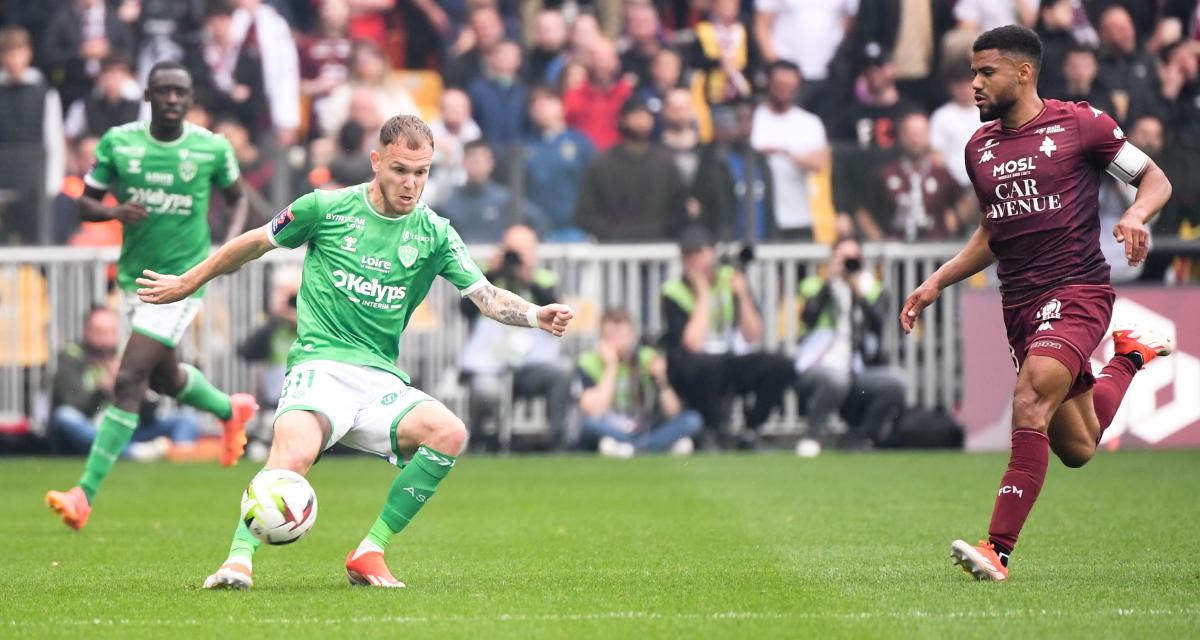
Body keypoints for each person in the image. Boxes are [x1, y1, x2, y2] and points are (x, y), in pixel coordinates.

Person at [135, 114, 575, 590]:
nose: (411, 184)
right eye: (400, 170)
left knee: (449, 432)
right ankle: (237, 560)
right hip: (320, 366)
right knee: (295, 452)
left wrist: (535, 314)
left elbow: (486, 296)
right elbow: (253, 244)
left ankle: (369, 551)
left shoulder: (435, 233)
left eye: (421, 172)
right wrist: (187, 281)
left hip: (380, 379)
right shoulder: (325, 209)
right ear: (376, 161)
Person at [901, 26, 1174, 582]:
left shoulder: (1081, 124)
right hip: (1020, 305)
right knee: (1077, 447)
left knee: (1029, 399)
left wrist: (1135, 214)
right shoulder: (979, 148)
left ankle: (997, 549)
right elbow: (991, 231)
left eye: (986, 72)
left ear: (1024, 72)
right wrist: (938, 281)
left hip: (1076, 290)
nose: (974, 84)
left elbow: (1153, 177)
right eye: (973, 73)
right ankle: (1130, 357)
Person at [44, 61, 258, 532]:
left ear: (190, 96)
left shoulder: (210, 147)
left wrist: (228, 245)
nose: (172, 100)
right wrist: (113, 210)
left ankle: (84, 493)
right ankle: (230, 409)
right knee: (165, 377)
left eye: (180, 92)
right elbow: (84, 201)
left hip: (183, 280)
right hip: (134, 281)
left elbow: (238, 195)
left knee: (130, 379)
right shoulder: (120, 142)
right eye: (163, 91)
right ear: (148, 95)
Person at [660, 225, 795, 449]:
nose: (694, 260)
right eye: (688, 255)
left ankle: (751, 430)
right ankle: (713, 431)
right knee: (709, 367)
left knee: (779, 365)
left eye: (699, 253)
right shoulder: (673, 291)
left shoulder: (729, 280)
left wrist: (742, 295)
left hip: (728, 358)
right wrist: (702, 292)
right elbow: (692, 344)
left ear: (712, 253)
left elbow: (753, 334)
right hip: (692, 367)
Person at [460, 225, 573, 452]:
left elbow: (554, 308)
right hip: (488, 362)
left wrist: (527, 279)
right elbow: (464, 310)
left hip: (530, 363)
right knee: (486, 391)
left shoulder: (543, 278)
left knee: (562, 370)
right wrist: (492, 273)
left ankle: (557, 441)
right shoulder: (484, 276)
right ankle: (481, 440)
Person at [794, 237, 906, 456]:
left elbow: (877, 326)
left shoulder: (873, 289)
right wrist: (830, 283)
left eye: (852, 259)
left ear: (862, 260)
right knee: (837, 380)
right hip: (817, 364)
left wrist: (857, 293)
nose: (847, 264)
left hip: (855, 367)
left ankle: (859, 437)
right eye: (842, 258)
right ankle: (813, 437)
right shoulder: (815, 286)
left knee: (897, 383)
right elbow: (808, 318)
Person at [49, 306, 200, 461]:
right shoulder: (71, 357)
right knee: (64, 416)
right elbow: (73, 405)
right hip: (91, 431)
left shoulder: (127, 356)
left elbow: (149, 416)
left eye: (111, 332)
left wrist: (136, 389)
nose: (107, 340)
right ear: (87, 332)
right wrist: (104, 388)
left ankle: (180, 458)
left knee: (186, 418)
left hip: (127, 431)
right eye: (100, 333)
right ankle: (132, 454)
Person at [578, 308, 702, 458]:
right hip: (611, 428)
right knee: (590, 427)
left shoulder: (647, 359)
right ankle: (656, 447)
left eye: (622, 335)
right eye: (611, 336)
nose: (618, 341)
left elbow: (673, 412)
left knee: (692, 420)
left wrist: (661, 380)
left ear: (632, 335)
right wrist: (611, 367)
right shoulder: (589, 362)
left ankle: (631, 449)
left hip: (645, 429)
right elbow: (595, 411)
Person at [575, 97, 689, 241]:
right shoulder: (602, 164)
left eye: (646, 116)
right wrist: (612, 234)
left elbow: (679, 210)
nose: (641, 121)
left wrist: (659, 232)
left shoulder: (666, 163)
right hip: (613, 251)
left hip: (660, 248)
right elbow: (586, 213)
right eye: (636, 115)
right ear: (622, 119)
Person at [750, 61, 828, 241]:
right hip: (760, 217)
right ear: (768, 83)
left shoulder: (809, 123)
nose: (784, 91)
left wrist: (784, 152)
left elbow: (819, 163)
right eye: (779, 85)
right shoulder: (755, 118)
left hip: (797, 216)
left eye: (789, 86)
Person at [857, 111, 964, 241]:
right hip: (895, 252)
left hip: (937, 252)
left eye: (920, 133)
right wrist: (879, 240)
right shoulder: (884, 174)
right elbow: (862, 211)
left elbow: (963, 207)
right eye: (910, 133)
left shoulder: (942, 174)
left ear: (929, 136)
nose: (915, 138)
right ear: (901, 136)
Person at [440, 140, 550, 243]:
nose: (477, 165)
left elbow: (540, 223)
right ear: (463, 163)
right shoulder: (450, 200)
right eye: (473, 160)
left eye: (482, 160)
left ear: (491, 164)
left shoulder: (504, 199)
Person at [524, 87, 595, 241]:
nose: (541, 107)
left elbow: (594, 187)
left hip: (574, 230)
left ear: (562, 107)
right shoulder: (524, 147)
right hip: (535, 231)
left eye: (548, 101)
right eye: (535, 104)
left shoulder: (581, 144)